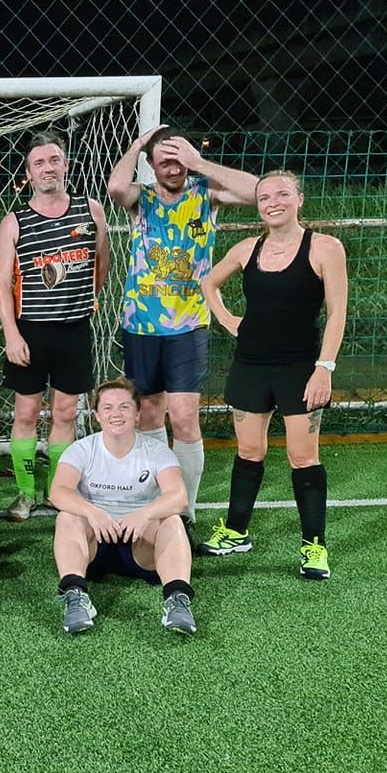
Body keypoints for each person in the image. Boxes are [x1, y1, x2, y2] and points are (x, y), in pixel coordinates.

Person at [197, 170, 349, 579]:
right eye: (264, 197)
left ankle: (314, 546)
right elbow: (209, 283)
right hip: (250, 366)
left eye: (282, 194)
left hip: (300, 368)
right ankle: (235, 531)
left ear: (299, 199)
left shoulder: (325, 248)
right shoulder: (247, 249)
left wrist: (325, 368)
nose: (272, 202)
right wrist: (229, 320)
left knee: (303, 457)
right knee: (249, 452)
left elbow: (337, 315)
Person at [106, 127, 257, 531]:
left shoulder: (205, 192)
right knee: (150, 414)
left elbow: (259, 191)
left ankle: (185, 510)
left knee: (186, 417)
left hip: (189, 324)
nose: (172, 167)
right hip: (141, 324)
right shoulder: (144, 198)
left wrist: (199, 162)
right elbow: (116, 186)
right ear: (151, 164)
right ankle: (160, 502)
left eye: (178, 160)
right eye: (163, 160)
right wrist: (139, 144)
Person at [0, 132, 111, 521]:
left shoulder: (90, 210)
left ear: (65, 165)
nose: (48, 168)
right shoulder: (15, 221)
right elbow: (1, 284)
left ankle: (59, 490)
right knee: (26, 414)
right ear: (28, 173)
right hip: (31, 331)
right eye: (39, 163)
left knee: (64, 413)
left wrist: (83, 298)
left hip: (74, 330)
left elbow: (101, 263)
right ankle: (26, 493)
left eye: (54, 160)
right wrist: (11, 333)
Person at [47, 377, 196, 636]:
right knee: (68, 517)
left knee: (171, 520)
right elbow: (58, 492)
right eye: (108, 407)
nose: (116, 413)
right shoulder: (82, 449)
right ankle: (75, 596)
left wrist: (144, 514)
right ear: (97, 415)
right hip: (94, 544)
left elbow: (179, 496)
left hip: (141, 545)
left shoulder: (156, 451)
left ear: (138, 414)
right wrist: (92, 512)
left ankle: (177, 601)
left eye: (125, 407)